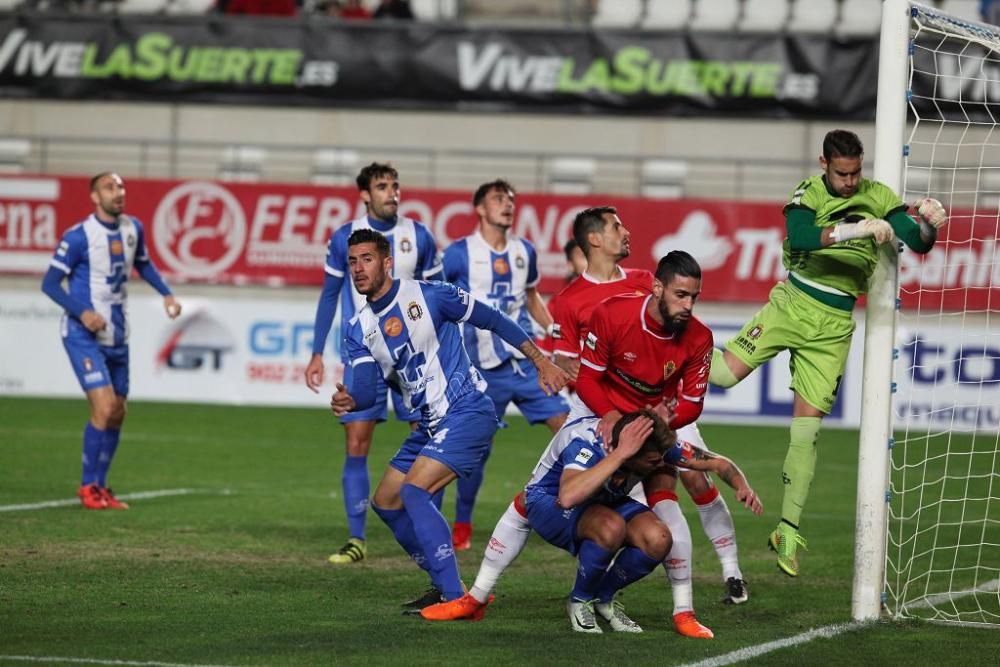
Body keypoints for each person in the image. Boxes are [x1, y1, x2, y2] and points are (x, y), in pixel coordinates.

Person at [709, 129, 948, 577]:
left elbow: (916, 241)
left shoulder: (879, 195)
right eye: (842, 174)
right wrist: (858, 229)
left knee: (807, 433)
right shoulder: (809, 191)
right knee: (722, 375)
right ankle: (665, 347)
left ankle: (787, 529)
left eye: (856, 172)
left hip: (835, 327)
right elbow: (799, 236)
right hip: (793, 305)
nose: (850, 183)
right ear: (825, 165)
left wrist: (929, 222)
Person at [330, 229, 568, 615]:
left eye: (367, 259)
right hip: (429, 424)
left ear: (387, 262)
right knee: (387, 501)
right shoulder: (358, 328)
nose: (358, 268)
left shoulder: (430, 294)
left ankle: (457, 598)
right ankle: (447, 585)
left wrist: (540, 360)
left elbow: (493, 319)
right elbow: (365, 391)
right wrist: (348, 399)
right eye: (353, 261)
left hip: (467, 411)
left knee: (414, 492)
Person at [422, 410, 762, 630]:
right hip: (549, 503)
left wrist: (741, 484)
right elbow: (568, 495)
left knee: (658, 537)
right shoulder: (585, 445)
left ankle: (602, 597)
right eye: (653, 461)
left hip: (600, 500)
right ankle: (579, 600)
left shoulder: (649, 446)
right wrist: (619, 455)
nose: (661, 465)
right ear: (629, 451)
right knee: (610, 527)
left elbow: (716, 463)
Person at [305, 162, 442, 565]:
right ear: (365, 194)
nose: (392, 192)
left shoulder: (419, 236)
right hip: (364, 354)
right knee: (356, 441)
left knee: (430, 443)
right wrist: (316, 352)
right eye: (383, 186)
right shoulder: (343, 238)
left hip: (413, 356)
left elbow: (437, 293)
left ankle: (429, 527)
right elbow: (330, 295)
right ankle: (356, 539)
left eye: (395, 185)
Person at [41, 172, 181, 510]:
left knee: (118, 412)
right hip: (82, 333)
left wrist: (166, 294)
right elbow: (49, 283)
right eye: (109, 187)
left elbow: (144, 265)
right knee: (103, 408)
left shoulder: (134, 228)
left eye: (120, 187)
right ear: (94, 196)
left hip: (118, 332)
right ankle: (87, 485)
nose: (118, 193)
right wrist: (82, 312)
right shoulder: (78, 237)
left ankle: (101, 487)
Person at [442, 179, 569, 550]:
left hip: (528, 365)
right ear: (480, 208)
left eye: (511, 200)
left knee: (569, 428)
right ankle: (462, 523)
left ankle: (571, 506)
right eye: (499, 199)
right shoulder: (458, 253)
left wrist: (554, 330)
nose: (507, 205)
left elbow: (531, 296)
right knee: (477, 449)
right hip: (481, 370)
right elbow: (436, 295)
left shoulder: (524, 251)